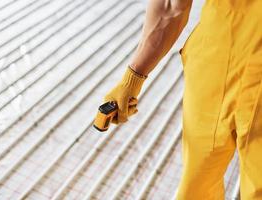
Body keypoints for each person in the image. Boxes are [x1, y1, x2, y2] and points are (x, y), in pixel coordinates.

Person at [100, 0, 262, 199]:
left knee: (197, 182)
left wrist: (132, 78)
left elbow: (172, 7)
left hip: (217, 59)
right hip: (219, 61)